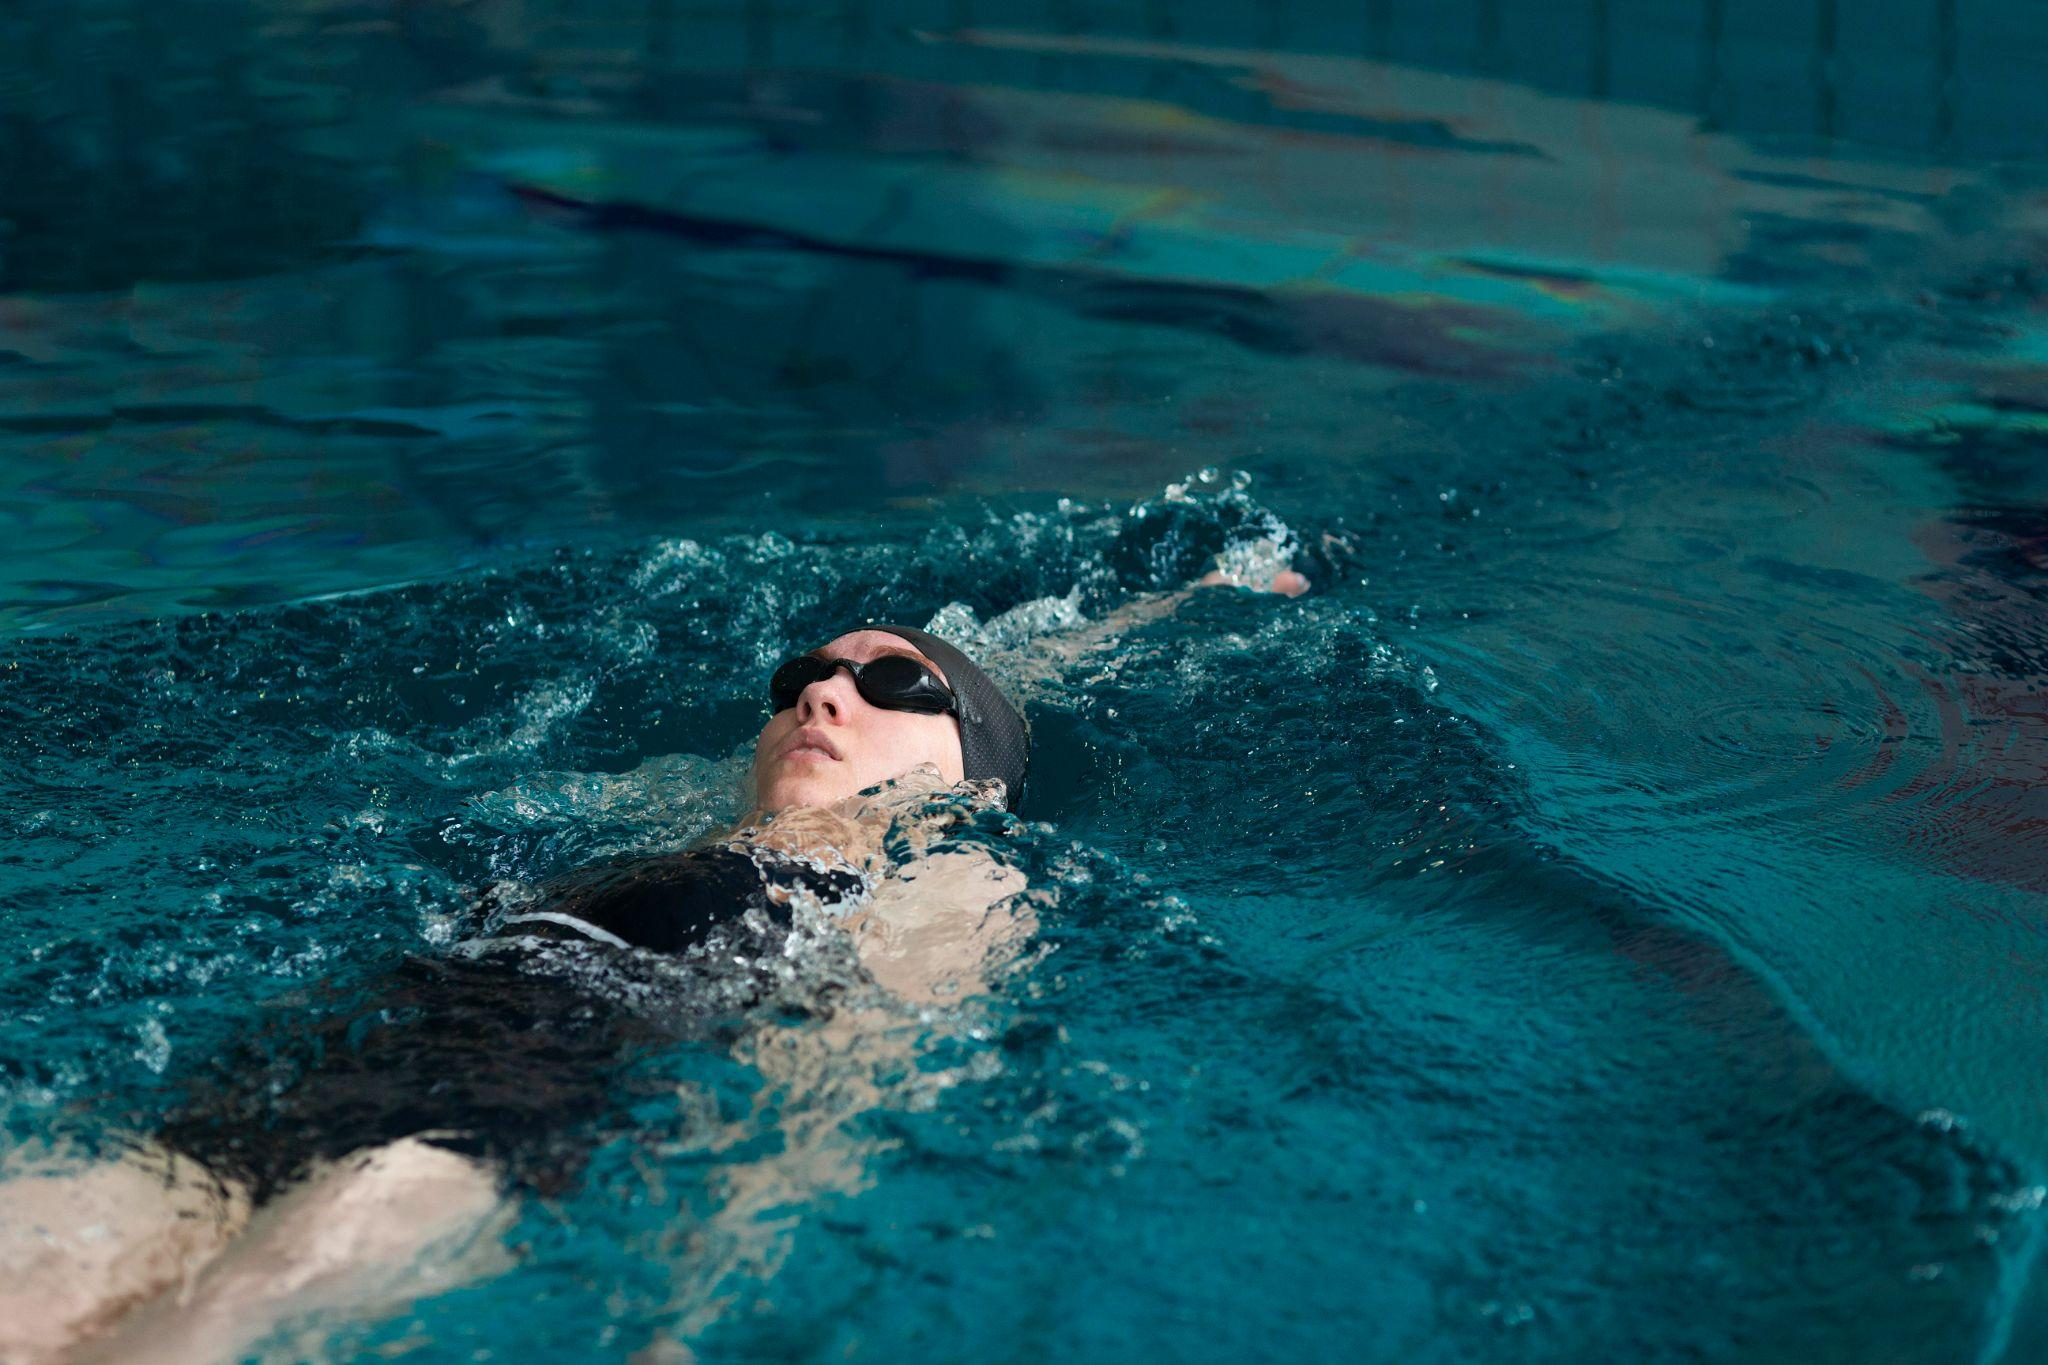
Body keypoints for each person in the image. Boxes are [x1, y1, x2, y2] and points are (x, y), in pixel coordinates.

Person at [0, 558, 1306, 1364]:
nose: (824, 695)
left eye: (891, 687)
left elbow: (835, 1096)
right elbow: (1030, 659)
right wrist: (1185, 604)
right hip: (294, 1069)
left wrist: (694, 1303)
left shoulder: (943, 879)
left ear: (974, 766)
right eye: (808, 674)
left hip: (475, 1136)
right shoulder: (671, 810)